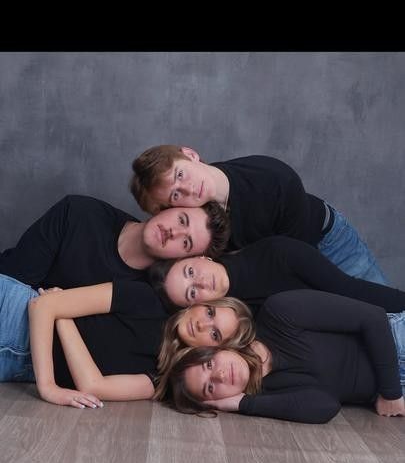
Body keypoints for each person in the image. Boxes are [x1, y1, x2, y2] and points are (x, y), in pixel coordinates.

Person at [130, 145, 388, 284]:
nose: (186, 189)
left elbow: (294, 265)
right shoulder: (195, 219)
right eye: (176, 195)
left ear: (190, 154)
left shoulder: (274, 181)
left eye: (180, 175)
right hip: (281, 268)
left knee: (387, 312)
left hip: (328, 242)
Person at [156, 290, 405, 424]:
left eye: (209, 364)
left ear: (219, 347)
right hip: (391, 393)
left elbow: (373, 318)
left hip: (394, 341)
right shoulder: (267, 393)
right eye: (210, 387)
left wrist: (391, 392)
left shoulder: (279, 313)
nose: (220, 375)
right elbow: (326, 406)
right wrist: (243, 404)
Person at [0, 273, 167, 407]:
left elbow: (92, 386)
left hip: (20, 368)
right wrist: (48, 387)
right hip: (14, 314)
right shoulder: (147, 300)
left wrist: (62, 317)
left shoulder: (158, 381)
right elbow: (41, 305)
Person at [0, 193, 230, 290]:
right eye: (182, 219)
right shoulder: (79, 213)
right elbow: (12, 285)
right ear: (170, 206)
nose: (174, 233)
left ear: (182, 259)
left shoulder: (146, 293)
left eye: (186, 243)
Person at [147, 235, 405, 317]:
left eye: (190, 272)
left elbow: (350, 293)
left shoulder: (278, 254)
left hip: (364, 307)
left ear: (199, 256)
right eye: (192, 293)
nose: (201, 282)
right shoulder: (233, 319)